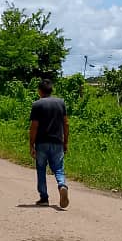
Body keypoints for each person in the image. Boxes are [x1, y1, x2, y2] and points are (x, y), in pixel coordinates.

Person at [29, 78, 70, 208]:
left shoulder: (37, 104)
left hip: (41, 143)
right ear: (51, 90)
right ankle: (62, 185)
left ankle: (44, 198)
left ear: (40, 91)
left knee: (41, 169)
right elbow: (66, 123)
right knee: (58, 168)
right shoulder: (61, 103)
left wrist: (31, 144)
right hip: (57, 141)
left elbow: (34, 126)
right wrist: (65, 142)